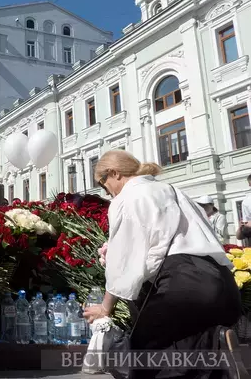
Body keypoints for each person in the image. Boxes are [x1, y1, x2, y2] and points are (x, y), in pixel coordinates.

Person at [83, 150, 245, 379]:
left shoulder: (130, 196)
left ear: (114, 173)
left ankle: (215, 344)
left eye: (103, 184)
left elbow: (125, 261)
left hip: (184, 284)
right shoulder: (174, 190)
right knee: (182, 350)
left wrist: (105, 308)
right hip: (224, 286)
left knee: (142, 356)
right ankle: (216, 341)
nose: (106, 192)